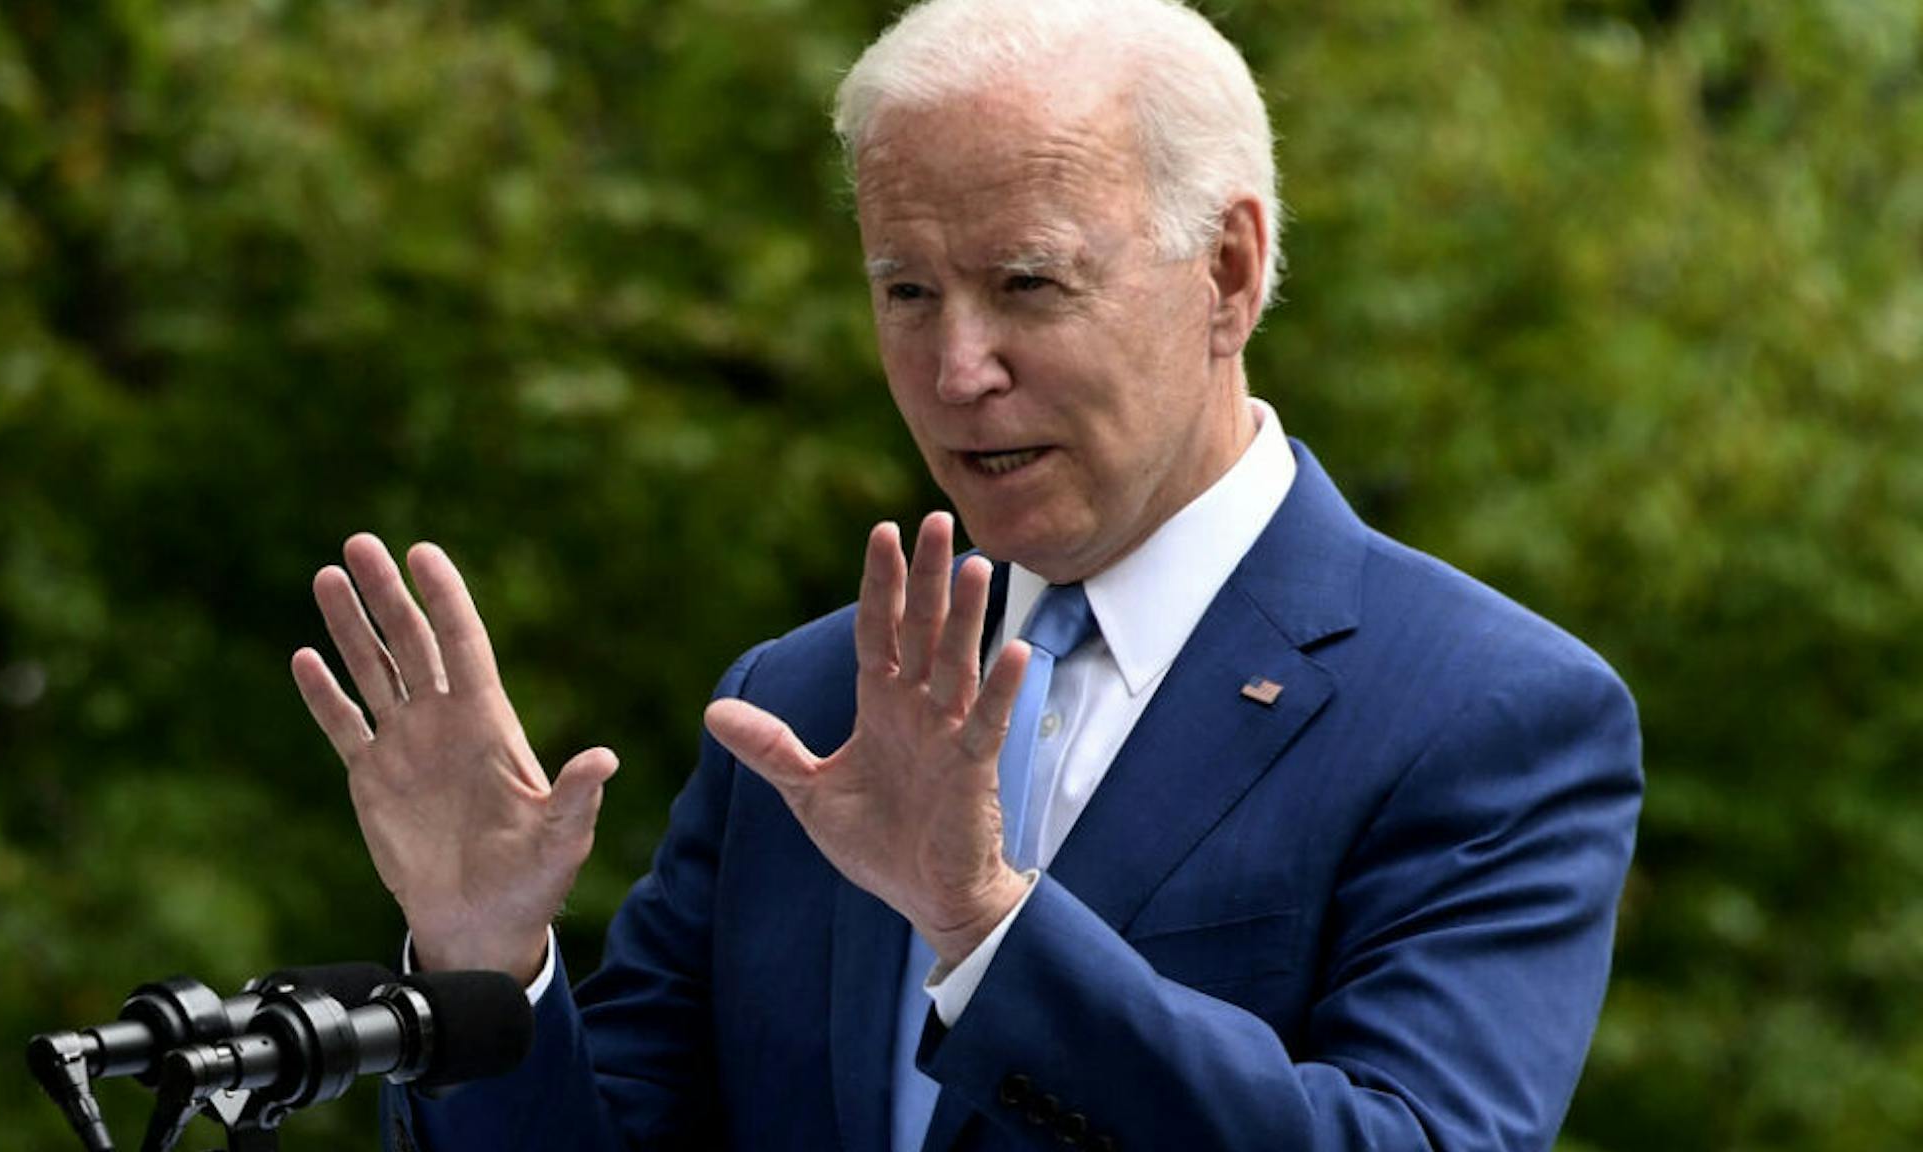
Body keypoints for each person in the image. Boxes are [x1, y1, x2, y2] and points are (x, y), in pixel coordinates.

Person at [289, 0, 1644, 1149]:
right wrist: (486, 966)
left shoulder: (1489, 712)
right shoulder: (806, 698)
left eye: (1029, 285)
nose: (956, 372)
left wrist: (985, 925)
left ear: (1227, 273)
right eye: (908, 293)